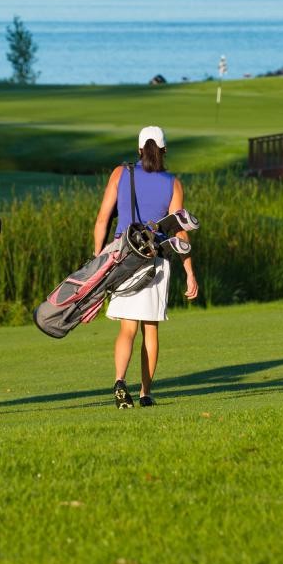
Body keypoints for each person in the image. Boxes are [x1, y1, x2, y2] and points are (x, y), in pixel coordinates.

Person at [93, 125, 198, 409]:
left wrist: (98, 259)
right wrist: (190, 272)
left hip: (124, 256)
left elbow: (102, 220)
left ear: (139, 149)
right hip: (156, 258)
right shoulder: (174, 183)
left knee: (127, 328)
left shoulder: (120, 173)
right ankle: (145, 393)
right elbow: (180, 232)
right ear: (164, 150)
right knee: (149, 329)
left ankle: (119, 381)